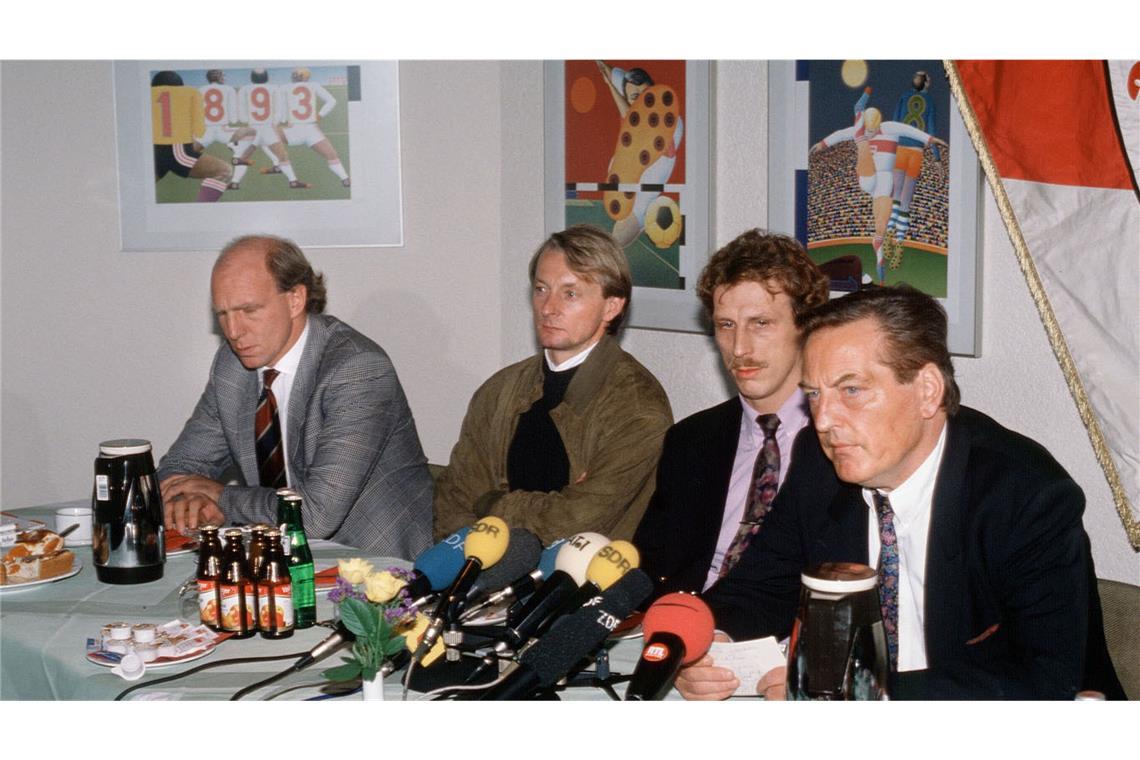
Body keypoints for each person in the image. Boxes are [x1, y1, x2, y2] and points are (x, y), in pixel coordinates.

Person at [677, 285, 1123, 700]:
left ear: (928, 391)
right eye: (813, 395)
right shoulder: (818, 461)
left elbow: (1043, 678)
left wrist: (862, 694)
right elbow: (757, 589)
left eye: (851, 390)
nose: (825, 420)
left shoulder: (1024, 494)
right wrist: (706, 645)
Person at [158, 234, 433, 558]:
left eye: (249, 310)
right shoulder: (232, 368)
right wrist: (188, 501)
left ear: (295, 300)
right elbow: (180, 466)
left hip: (368, 568)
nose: (233, 332)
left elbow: (316, 516)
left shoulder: (357, 369)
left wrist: (221, 498)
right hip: (275, 556)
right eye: (223, 314)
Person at [432, 225, 673, 544]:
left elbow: (572, 524)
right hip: (480, 575)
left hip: (580, 584)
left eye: (570, 293)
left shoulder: (638, 408)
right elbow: (453, 501)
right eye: (541, 289)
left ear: (612, 307)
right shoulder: (500, 390)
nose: (548, 308)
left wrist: (490, 504)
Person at [634, 230, 829, 599]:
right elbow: (651, 566)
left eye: (761, 323)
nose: (740, 348)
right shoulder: (690, 440)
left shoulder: (840, 444)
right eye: (726, 325)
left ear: (806, 325)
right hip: (681, 627)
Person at [810, 106, 947, 283]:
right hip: (867, 176)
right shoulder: (860, 130)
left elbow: (909, 130)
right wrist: (823, 143)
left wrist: (929, 139)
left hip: (884, 179)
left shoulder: (890, 128)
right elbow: (841, 134)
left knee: (881, 224)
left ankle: (879, 253)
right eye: (868, 129)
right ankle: (861, 143)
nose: (871, 132)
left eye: (873, 129)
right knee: (862, 145)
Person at [150, 70, 232, 202]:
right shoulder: (188, 95)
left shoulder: (149, 99)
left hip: (154, 152)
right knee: (224, 170)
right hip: (177, 152)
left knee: (141, 187)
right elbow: (199, 131)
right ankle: (200, 212)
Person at [888, 70, 942, 243]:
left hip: (901, 149)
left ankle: (889, 231)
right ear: (925, 82)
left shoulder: (904, 97)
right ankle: (899, 239)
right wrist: (937, 158)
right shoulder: (931, 103)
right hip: (916, 152)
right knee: (906, 198)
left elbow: (894, 123)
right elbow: (931, 131)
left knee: (896, 194)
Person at [279, 67, 351, 187]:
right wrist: (319, 116)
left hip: (293, 130)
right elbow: (332, 101)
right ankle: (345, 179)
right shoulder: (314, 85)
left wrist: (285, 120)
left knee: (265, 137)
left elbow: (280, 109)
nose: (293, 75)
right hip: (311, 129)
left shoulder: (284, 87)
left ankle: (287, 175)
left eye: (295, 74)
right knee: (332, 155)